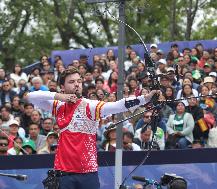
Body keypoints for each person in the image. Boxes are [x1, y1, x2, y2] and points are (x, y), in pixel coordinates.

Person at [25, 67, 157, 189]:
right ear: (62, 87)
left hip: (88, 174)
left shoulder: (90, 106)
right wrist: (59, 96)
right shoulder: (58, 106)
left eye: (79, 81)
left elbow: (118, 105)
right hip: (63, 173)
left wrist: (145, 98)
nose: (77, 84)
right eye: (71, 81)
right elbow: (31, 97)